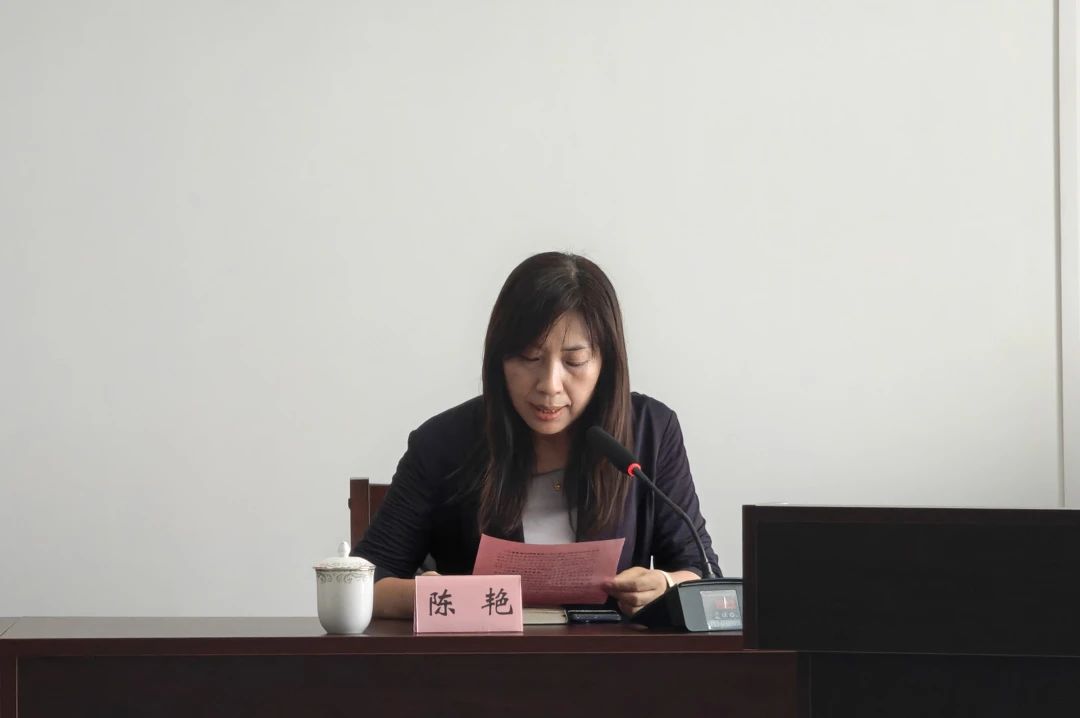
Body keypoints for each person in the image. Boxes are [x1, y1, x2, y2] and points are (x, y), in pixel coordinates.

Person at [354, 252, 720, 619]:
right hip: (482, 654)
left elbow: (704, 573)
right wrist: (437, 596)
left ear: (605, 363)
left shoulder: (650, 431)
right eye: (529, 358)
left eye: (574, 361)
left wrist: (665, 585)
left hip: (609, 655)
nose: (549, 385)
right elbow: (363, 583)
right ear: (500, 360)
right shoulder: (443, 443)